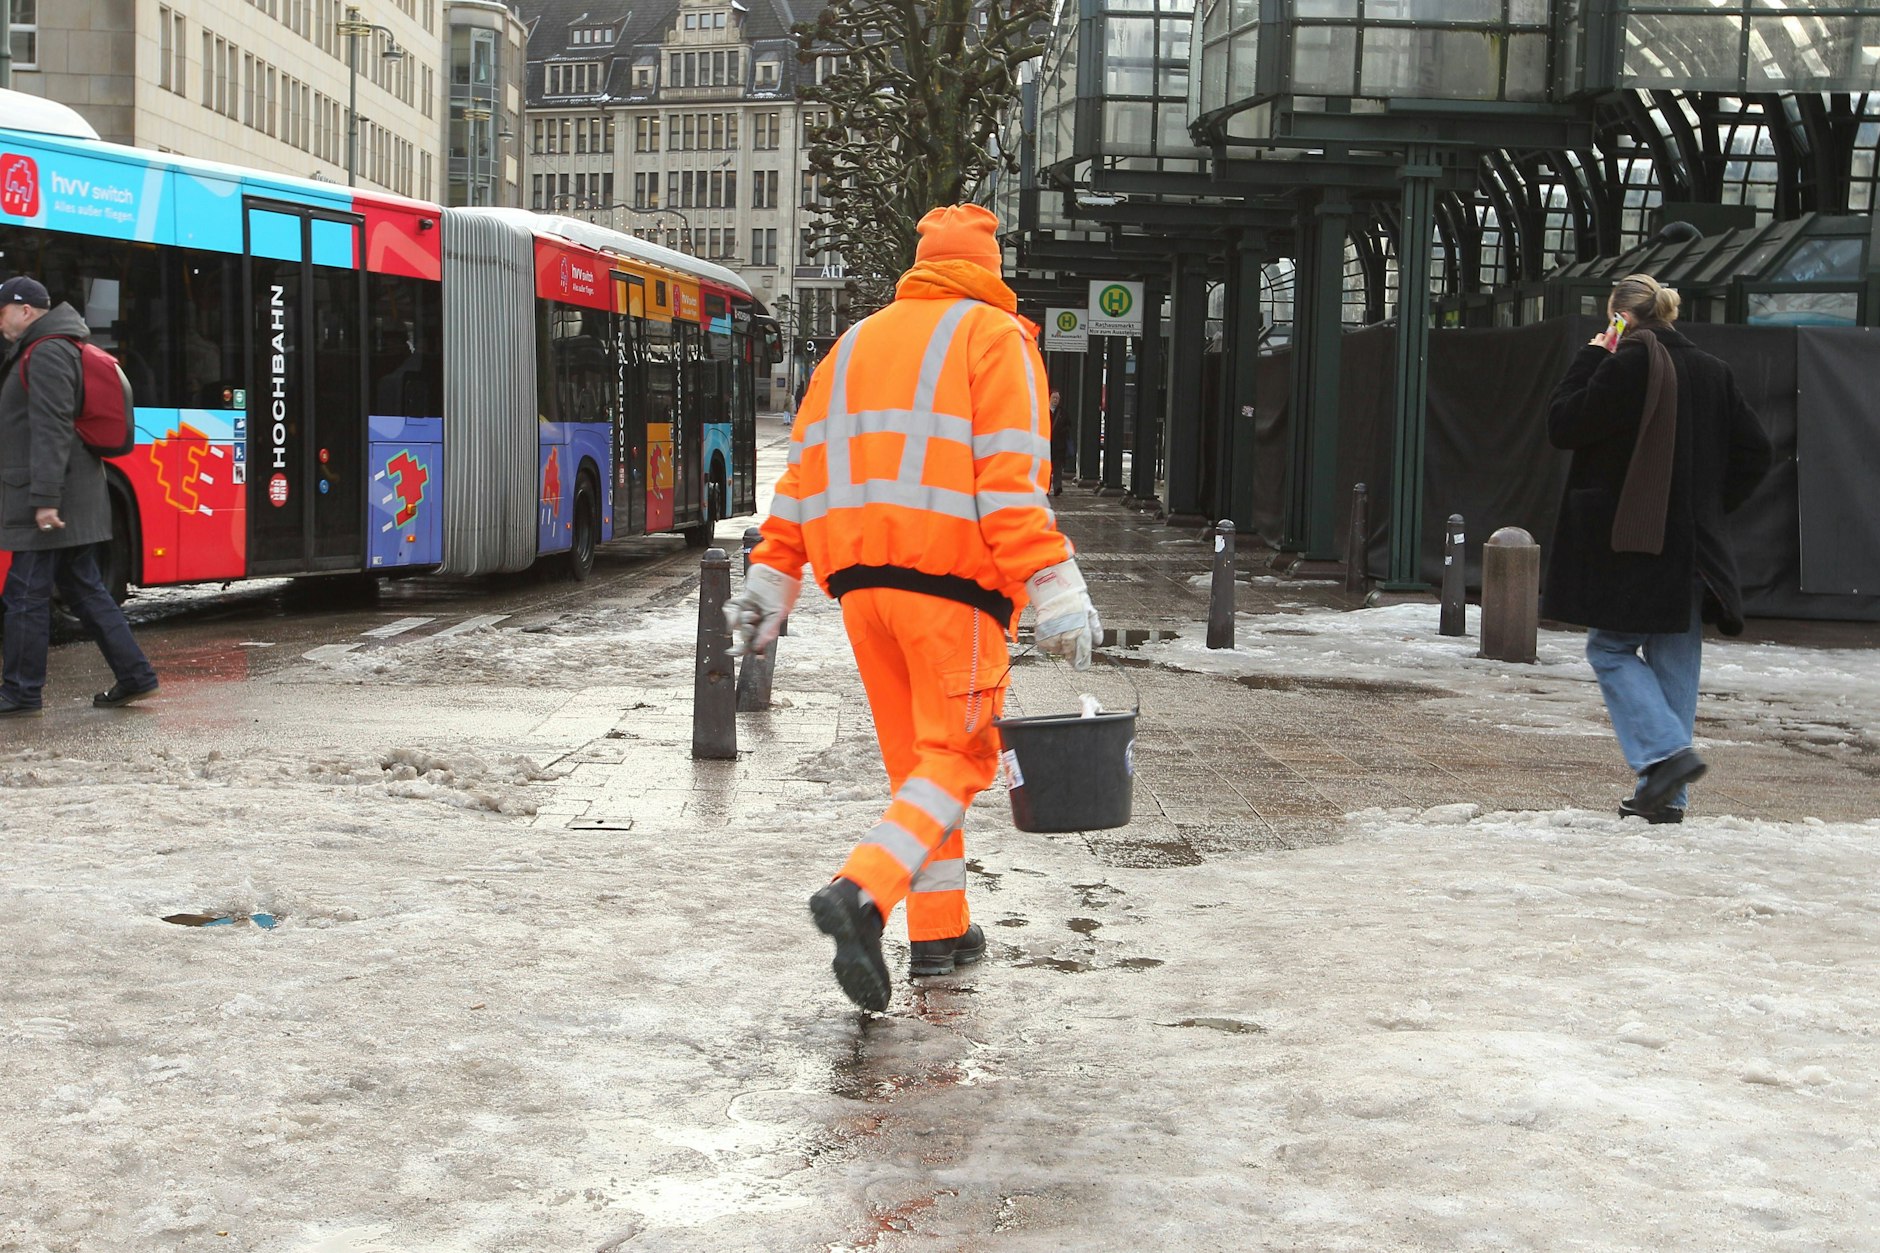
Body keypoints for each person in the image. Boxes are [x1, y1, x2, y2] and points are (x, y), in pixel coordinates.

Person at [726, 204, 1100, 1012]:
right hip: (953, 588)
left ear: (921, 264)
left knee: (922, 771)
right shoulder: (997, 340)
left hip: (861, 590)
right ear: (988, 269)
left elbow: (799, 477)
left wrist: (769, 581)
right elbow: (1009, 486)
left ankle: (939, 931)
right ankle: (863, 892)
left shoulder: (854, 343)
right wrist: (1055, 586)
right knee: (962, 758)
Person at [1544, 273, 1771, 822]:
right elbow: (1756, 452)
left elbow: (1564, 423)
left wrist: (1592, 357)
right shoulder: (1714, 371)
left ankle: (1667, 757)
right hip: (1696, 546)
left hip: (1634, 537)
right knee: (1675, 658)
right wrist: (1712, 509)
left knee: (1611, 649)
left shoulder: (1627, 363)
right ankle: (1668, 799)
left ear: (1620, 317)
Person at [0, 275, 159, 716]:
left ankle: (20, 691)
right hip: (70, 492)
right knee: (85, 589)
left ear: (25, 310)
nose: (1, 323)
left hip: (56, 499)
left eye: (2, 312)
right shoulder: (48, 347)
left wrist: (45, 499)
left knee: (25, 594)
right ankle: (136, 676)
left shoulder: (47, 351)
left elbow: (51, 430)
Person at [1048, 389, 1073, 497]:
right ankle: (1046, 487)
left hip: (1059, 445)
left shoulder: (1063, 412)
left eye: (1057, 398)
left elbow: (1068, 425)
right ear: (1049, 398)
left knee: (1057, 467)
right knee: (1047, 468)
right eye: (1054, 398)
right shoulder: (1043, 411)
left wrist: (1063, 432)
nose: (1055, 400)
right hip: (1047, 445)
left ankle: (1057, 487)